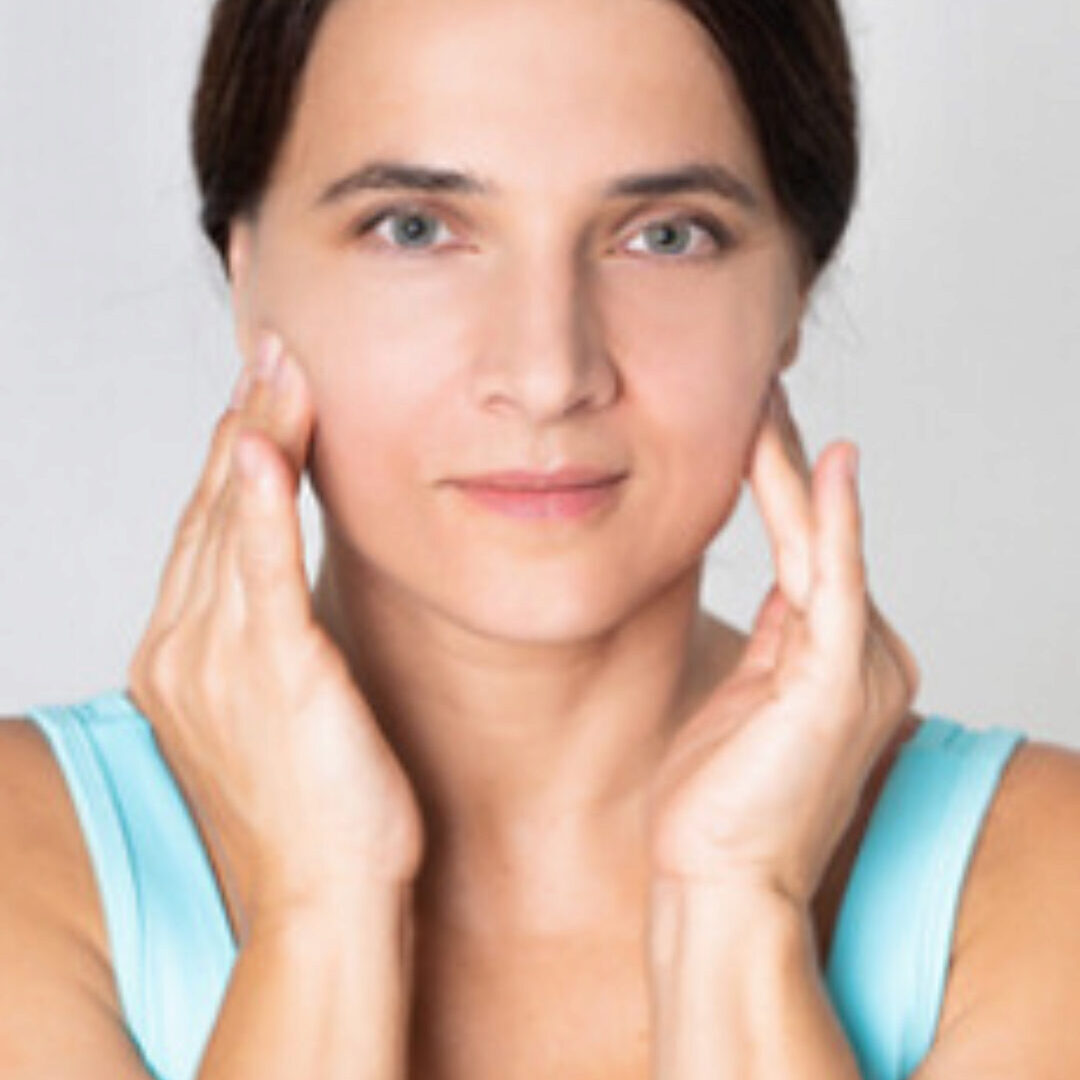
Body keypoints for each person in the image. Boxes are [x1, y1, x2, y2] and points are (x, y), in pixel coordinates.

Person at [1, 0, 1078, 1077]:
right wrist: (318, 909)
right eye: (414, 227)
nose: (548, 372)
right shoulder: (29, 871)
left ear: (797, 286)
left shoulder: (1040, 883)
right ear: (247, 278)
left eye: (665, 235)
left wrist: (737, 903)